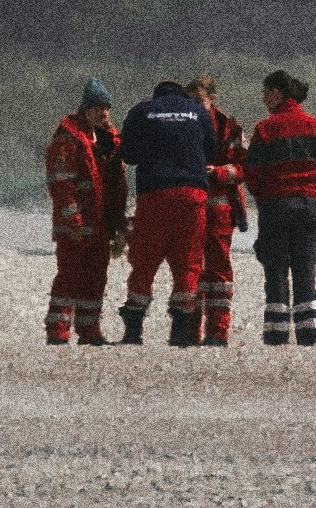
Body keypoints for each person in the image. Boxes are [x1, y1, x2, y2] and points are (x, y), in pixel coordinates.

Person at [244, 68, 316, 347]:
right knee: (305, 268)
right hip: (308, 204)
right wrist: (311, 183)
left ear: (277, 93)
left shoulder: (264, 129)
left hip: (276, 206)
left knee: (275, 268)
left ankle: (276, 334)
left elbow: (251, 173)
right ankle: (309, 333)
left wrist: (265, 196)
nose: (263, 99)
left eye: (266, 93)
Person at [117, 76, 216, 345]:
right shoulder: (197, 111)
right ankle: (181, 333)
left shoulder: (141, 110)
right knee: (188, 260)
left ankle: (134, 330)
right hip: (192, 194)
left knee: (145, 259)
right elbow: (212, 151)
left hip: (154, 193)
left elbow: (129, 155)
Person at [43, 79, 127, 345]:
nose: (103, 113)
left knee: (96, 278)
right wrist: (72, 220)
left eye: (106, 108)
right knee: (69, 277)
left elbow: (115, 186)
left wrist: (119, 224)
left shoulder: (107, 140)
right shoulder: (68, 138)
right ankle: (58, 331)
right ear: (85, 109)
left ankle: (89, 330)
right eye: (97, 108)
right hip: (76, 225)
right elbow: (62, 184)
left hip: (100, 225)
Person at [188, 73, 247, 347]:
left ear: (213, 99)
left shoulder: (229, 127)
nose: (197, 107)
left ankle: (218, 332)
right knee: (189, 270)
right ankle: (189, 331)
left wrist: (220, 172)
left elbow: (245, 167)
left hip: (221, 208)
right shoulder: (182, 127)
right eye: (192, 102)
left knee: (219, 271)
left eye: (201, 101)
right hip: (190, 207)